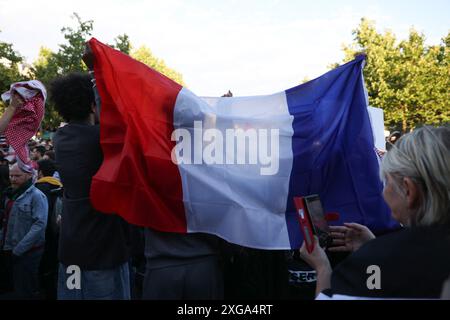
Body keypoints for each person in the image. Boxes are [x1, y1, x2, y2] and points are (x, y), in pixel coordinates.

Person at [300, 126, 450, 299]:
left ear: (409, 191)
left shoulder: (375, 261)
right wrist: (372, 247)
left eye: (386, 183)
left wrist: (323, 268)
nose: (383, 192)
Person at [49, 72, 131, 300]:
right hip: (102, 253)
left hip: (71, 251)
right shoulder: (99, 140)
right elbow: (114, 126)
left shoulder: (60, 138)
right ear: (92, 107)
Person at [0, 163, 48, 299]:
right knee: (17, 285)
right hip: (11, 248)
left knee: (26, 288)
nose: (13, 179)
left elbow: (39, 225)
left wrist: (20, 248)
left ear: (28, 176)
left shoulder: (37, 196)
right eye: (11, 175)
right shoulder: (11, 194)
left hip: (29, 252)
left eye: (17, 176)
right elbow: (7, 221)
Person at [35, 159, 62, 299]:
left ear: (40, 172)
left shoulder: (38, 189)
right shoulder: (59, 186)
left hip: (42, 237)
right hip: (56, 235)